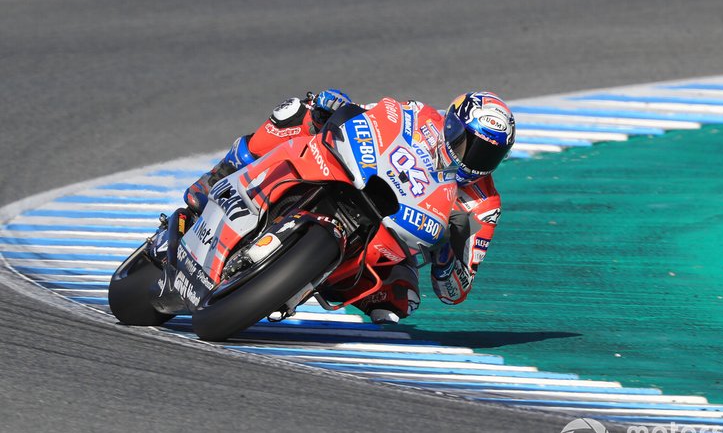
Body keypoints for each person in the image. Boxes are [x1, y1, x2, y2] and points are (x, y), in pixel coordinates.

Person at [184, 89, 515, 324]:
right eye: (472, 145)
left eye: (489, 155)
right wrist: (335, 106)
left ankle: (293, 283)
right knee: (298, 112)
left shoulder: (483, 204)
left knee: (403, 302)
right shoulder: (419, 114)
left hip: (390, 246)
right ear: (454, 125)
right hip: (357, 180)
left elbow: (454, 290)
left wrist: (447, 251)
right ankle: (220, 176)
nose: (476, 160)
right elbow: (371, 116)